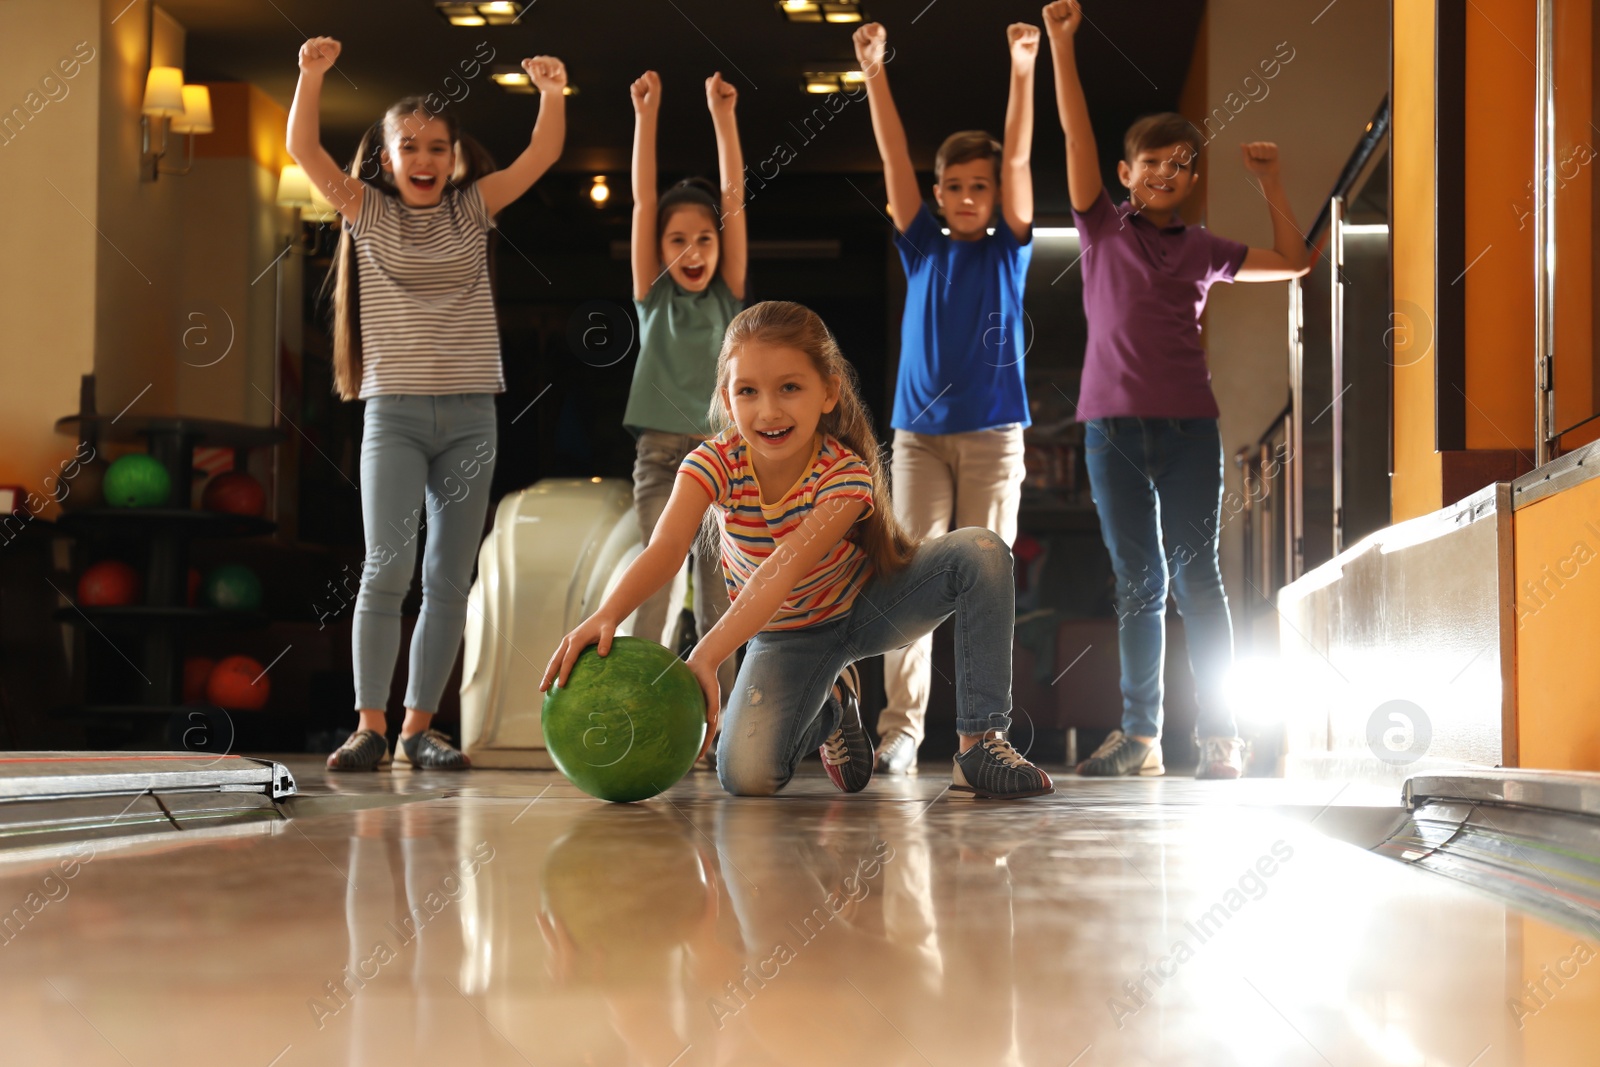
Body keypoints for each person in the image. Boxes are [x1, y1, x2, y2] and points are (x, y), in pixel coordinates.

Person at [541, 302, 1053, 801]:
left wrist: (704, 657)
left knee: (982, 551)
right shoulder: (712, 463)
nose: (769, 410)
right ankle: (831, 708)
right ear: (727, 396)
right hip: (786, 637)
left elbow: (778, 572)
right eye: (748, 391)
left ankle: (981, 746)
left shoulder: (845, 475)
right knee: (746, 776)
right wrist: (607, 614)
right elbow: (666, 549)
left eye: (790, 387)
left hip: (871, 607)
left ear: (828, 392)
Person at [1042, 0, 1310, 779]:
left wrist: (1270, 181)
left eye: (1181, 163)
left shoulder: (1203, 247)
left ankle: (1221, 738)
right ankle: (1141, 738)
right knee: (1140, 583)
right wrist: (1064, 46)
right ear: (1127, 174)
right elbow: (1076, 134)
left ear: (1192, 180)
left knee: (1200, 577)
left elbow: (1294, 259)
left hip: (1191, 426)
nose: (1166, 171)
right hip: (1111, 428)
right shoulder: (1101, 227)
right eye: (1151, 161)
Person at [286, 37, 567, 770]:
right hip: (395, 415)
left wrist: (553, 92)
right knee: (387, 569)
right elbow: (304, 147)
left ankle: (417, 729)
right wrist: (310, 76)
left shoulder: (473, 211)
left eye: (436, 147)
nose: (424, 158)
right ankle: (369, 726)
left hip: (471, 415)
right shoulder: (367, 214)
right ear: (387, 160)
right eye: (409, 146)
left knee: (448, 576)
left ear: (454, 159)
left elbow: (539, 156)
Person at [853, 20, 1039, 776]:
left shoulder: (1009, 248)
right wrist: (873, 72)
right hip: (919, 437)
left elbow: (1021, 155)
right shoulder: (922, 242)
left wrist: (1022, 70)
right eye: (954, 186)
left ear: (995, 195)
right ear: (938, 195)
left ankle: (981, 731)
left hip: (994, 435)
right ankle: (901, 729)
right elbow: (893, 155)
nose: (967, 196)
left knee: (986, 575)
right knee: (908, 577)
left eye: (979, 186)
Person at [622, 69, 748, 723]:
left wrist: (721, 116)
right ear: (659, 249)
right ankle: (639, 710)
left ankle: (718, 719)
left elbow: (732, 195)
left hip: (720, 456)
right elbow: (644, 202)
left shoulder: (728, 293)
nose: (693, 250)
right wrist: (648, 116)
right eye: (678, 241)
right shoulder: (654, 297)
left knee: (719, 590)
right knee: (656, 579)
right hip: (662, 455)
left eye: (704, 238)